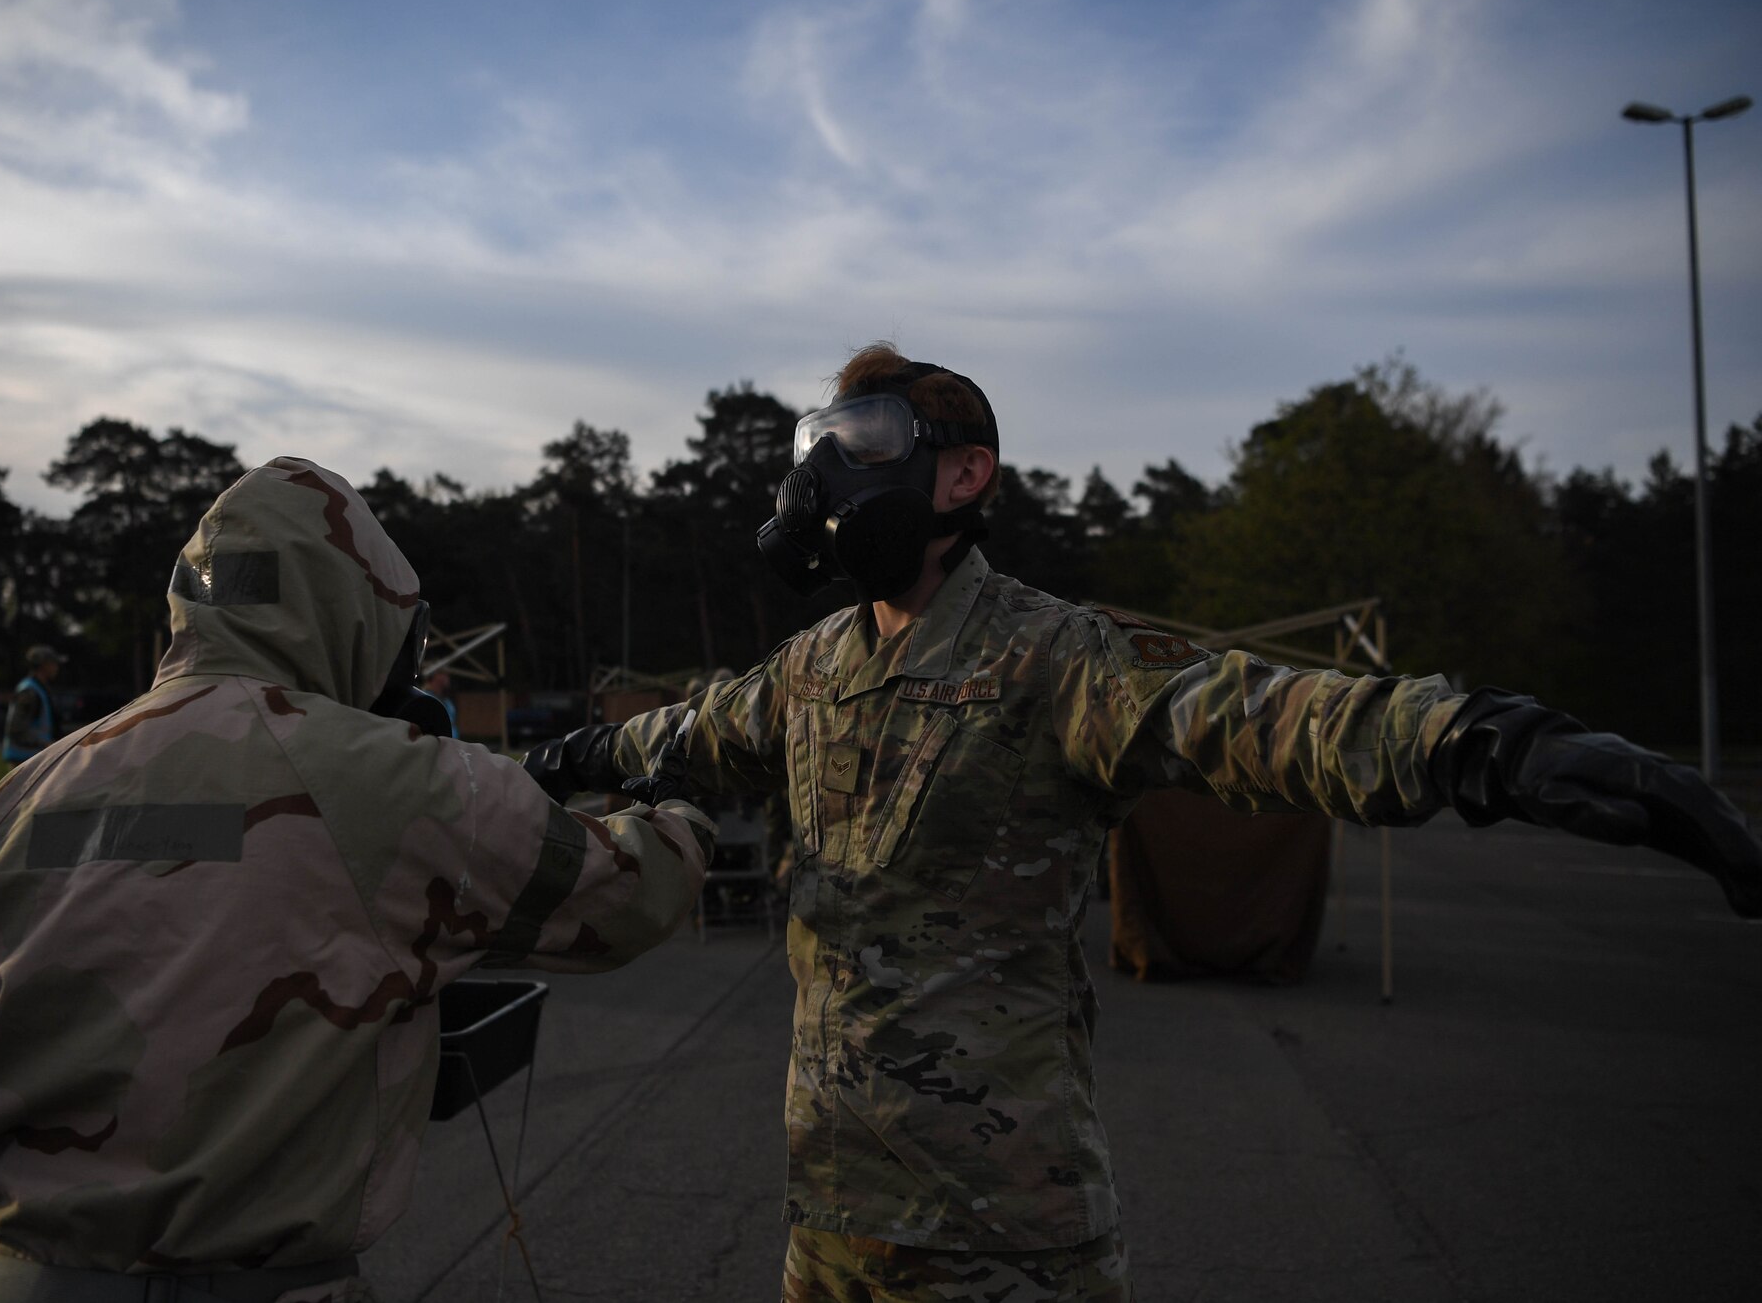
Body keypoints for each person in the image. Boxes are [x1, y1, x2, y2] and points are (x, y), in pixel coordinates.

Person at [523, 342, 1762, 1303]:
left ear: (963, 473)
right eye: (821, 440)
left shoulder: (1048, 657)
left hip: (1001, 1236)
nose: (827, 470)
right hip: (830, 1222)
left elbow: (1247, 715)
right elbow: (671, 739)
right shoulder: (810, 669)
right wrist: (537, 766)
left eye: (866, 438)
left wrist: (1482, 742)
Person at [0, 457, 711, 1301]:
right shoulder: (395, 779)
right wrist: (684, 799)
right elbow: (632, 892)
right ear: (357, 613)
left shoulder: (8, 808)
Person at [0, 644, 63, 763]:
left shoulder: (39, 689)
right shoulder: (30, 692)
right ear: (44, 665)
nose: (57, 667)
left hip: (34, 757)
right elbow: (16, 729)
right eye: (54, 663)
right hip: (25, 759)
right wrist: (45, 744)